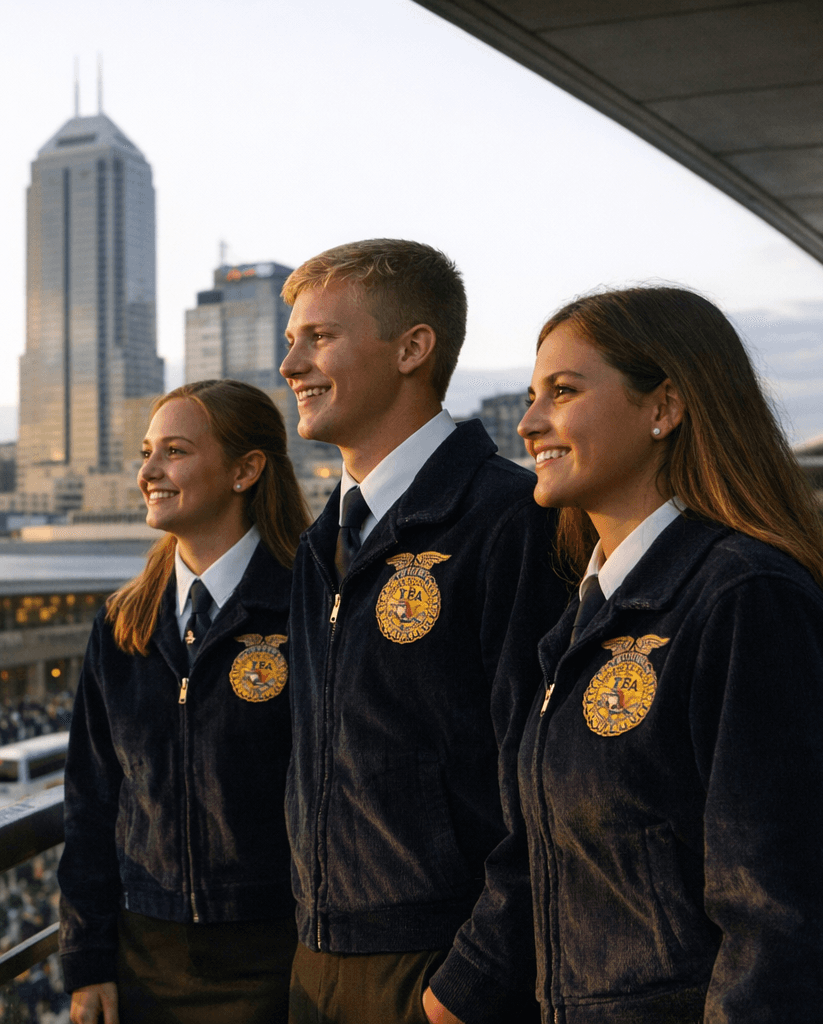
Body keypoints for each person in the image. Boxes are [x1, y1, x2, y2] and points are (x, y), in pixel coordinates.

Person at [427, 286, 823, 1024]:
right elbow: (552, 855)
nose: (528, 423)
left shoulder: (745, 599)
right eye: (531, 396)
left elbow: (795, 917)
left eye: (564, 391)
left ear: (664, 407)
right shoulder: (587, 616)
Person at [274, 240, 566, 1023]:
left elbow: (546, 783)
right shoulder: (318, 547)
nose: (289, 364)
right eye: (291, 339)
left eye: (319, 337)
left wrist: (471, 980)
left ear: (412, 348)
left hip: (443, 969)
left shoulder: (511, 522)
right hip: (318, 960)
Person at [59, 379, 313, 1024]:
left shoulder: (309, 606)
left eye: (174, 451)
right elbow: (91, 801)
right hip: (146, 957)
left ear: (245, 469)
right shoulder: (123, 625)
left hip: (282, 955)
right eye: (147, 452)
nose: (148, 472)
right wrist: (87, 960)